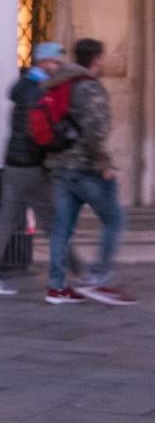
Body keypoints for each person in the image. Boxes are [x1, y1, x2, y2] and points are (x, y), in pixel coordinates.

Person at [0, 42, 85, 296]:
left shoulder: (25, 87)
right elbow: (41, 132)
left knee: (7, 219)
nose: (58, 67)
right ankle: (82, 274)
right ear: (43, 62)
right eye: (55, 62)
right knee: (55, 222)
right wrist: (63, 141)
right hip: (31, 166)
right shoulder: (38, 92)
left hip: (15, 162)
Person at [45, 38, 138, 306]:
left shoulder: (59, 82)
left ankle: (56, 286)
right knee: (115, 219)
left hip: (61, 166)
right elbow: (94, 132)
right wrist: (104, 165)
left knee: (62, 228)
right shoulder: (89, 87)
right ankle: (99, 279)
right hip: (85, 168)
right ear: (96, 58)